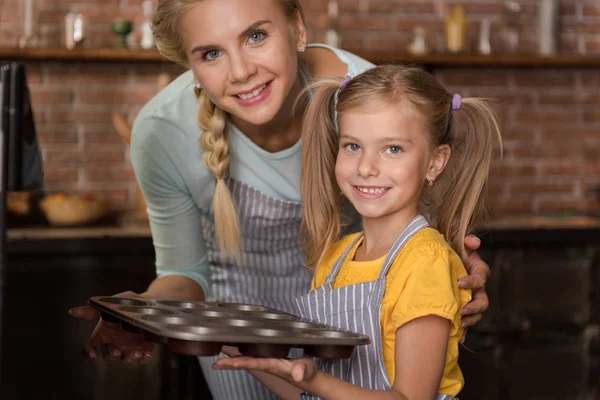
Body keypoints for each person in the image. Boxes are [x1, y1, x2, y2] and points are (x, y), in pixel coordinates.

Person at [68, 1, 491, 399]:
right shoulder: (162, 132)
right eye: (211, 53)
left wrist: (456, 276)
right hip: (234, 325)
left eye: (255, 36)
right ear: (189, 65)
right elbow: (184, 271)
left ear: (298, 29)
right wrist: (147, 312)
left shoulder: (368, 102)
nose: (240, 71)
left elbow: (422, 235)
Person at [213, 65, 503, 399]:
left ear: (435, 163)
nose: (366, 167)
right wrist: (250, 356)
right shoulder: (335, 259)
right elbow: (315, 395)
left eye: (392, 149)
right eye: (352, 146)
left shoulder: (425, 262)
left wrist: (312, 380)